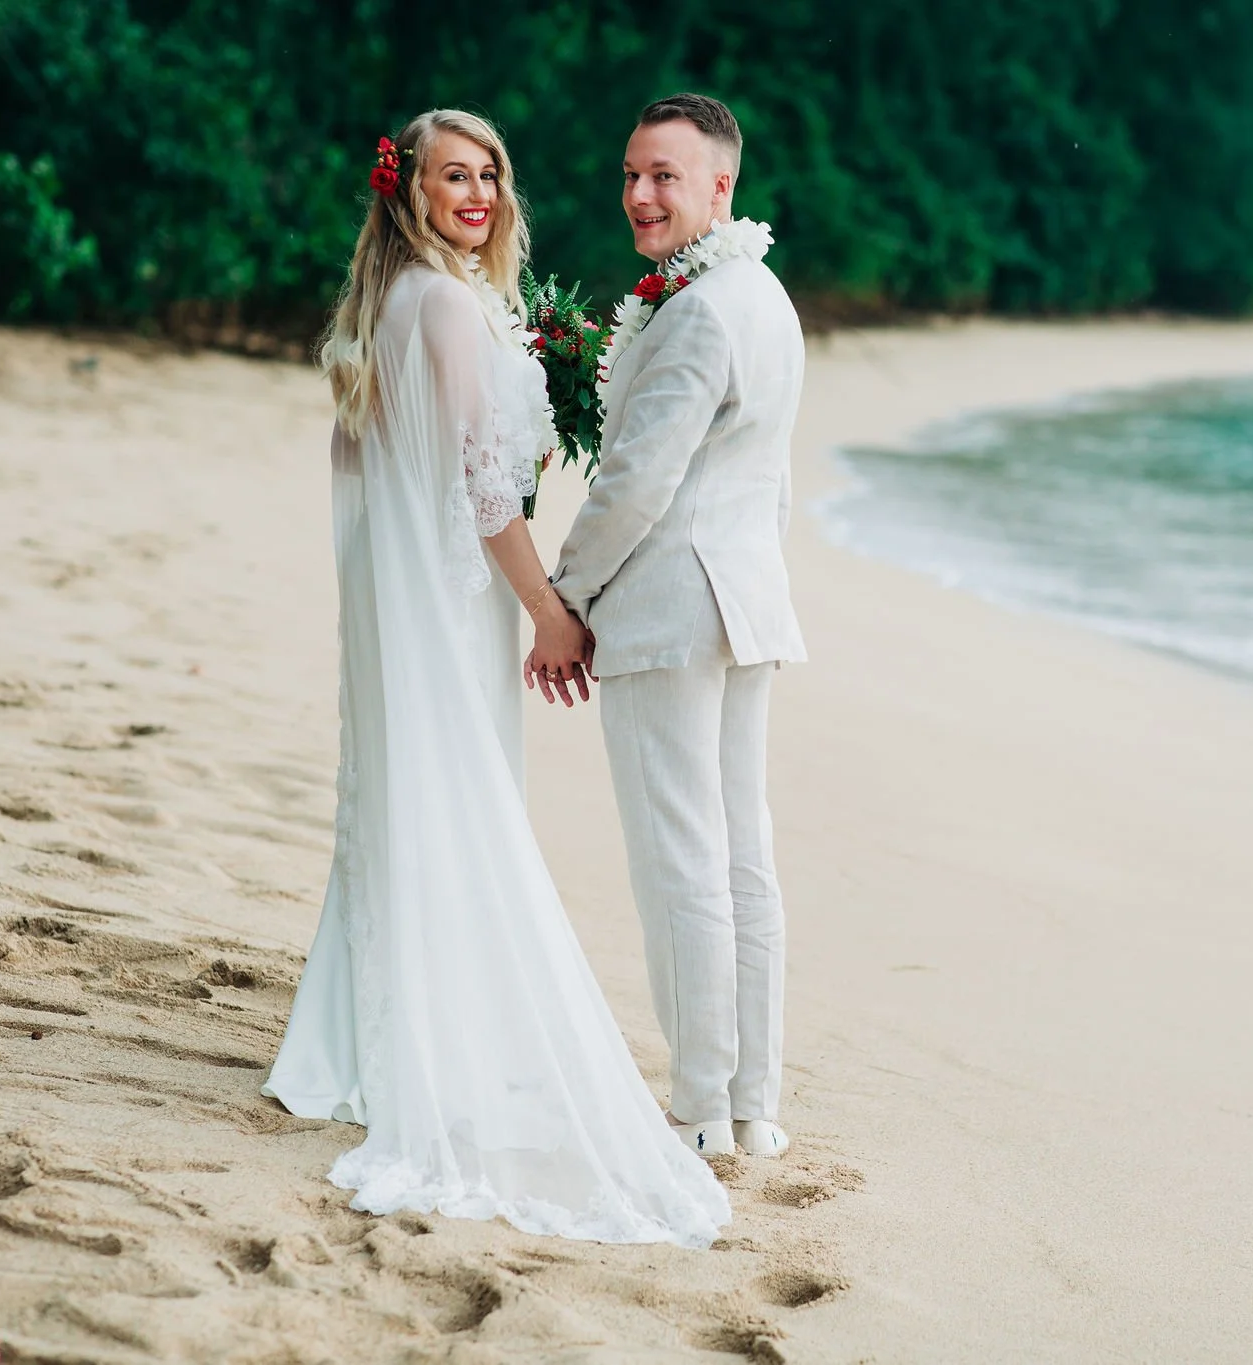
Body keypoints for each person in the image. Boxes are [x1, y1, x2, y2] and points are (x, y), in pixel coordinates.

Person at [260, 107, 728, 1249]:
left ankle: (356, 1038)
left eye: (488, 175)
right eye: (450, 177)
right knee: (456, 803)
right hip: (455, 605)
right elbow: (485, 497)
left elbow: (379, 472)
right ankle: (432, 1040)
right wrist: (550, 613)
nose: (474, 194)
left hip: (425, 608)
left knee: (414, 798)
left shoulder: (418, 304)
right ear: (405, 191)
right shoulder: (441, 308)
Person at [550, 94, 806, 1162]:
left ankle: (699, 1108)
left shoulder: (701, 311)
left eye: (664, 176)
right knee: (740, 854)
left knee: (681, 861)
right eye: (629, 174)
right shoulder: (767, 297)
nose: (640, 196)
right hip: (744, 599)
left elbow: (635, 481)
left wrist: (565, 595)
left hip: (669, 606)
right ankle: (754, 1107)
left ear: (719, 188)